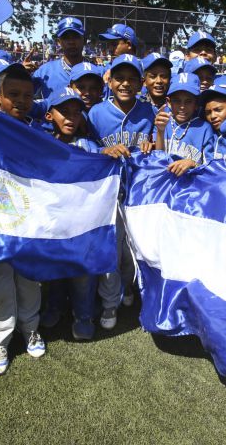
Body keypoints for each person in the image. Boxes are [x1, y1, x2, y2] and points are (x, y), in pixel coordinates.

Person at [0, 61, 48, 374]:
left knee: (30, 280)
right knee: (0, 284)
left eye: (27, 95)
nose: (20, 100)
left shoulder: (37, 132)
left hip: (29, 221)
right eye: (13, 94)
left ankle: (30, 328)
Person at [88, 55, 154, 328]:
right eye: (119, 78)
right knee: (111, 252)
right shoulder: (96, 113)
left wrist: (155, 144)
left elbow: (158, 145)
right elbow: (84, 148)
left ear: (141, 83)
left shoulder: (149, 112)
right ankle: (109, 303)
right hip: (108, 194)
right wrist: (102, 150)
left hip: (139, 193)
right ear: (110, 80)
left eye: (131, 79)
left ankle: (127, 288)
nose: (125, 84)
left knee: (133, 250)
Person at [39, 88, 101, 340]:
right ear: (48, 115)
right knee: (55, 268)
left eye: (76, 113)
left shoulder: (88, 145)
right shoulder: (41, 142)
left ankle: (83, 315)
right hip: (53, 220)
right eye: (64, 112)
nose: (70, 118)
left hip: (82, 222)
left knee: (83, 274)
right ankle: (55, 306)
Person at [153, 73, 214, 175]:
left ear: (196, 104)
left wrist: (193, 163)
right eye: (177, 101)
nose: (182, 106)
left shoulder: (204, 128)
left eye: (188, 101)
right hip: (164, 183)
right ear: (168, 102)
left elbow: (210, 167)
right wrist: (160, 131)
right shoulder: (162, 121)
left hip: (192, 186)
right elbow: (157, 159)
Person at [33, 17, 88, 99]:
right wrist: (22, 76)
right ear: (59, 42)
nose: (71, 42)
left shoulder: (97, 72)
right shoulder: (44, 71)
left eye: (75, 37)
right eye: (66, 37)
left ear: (84, 40)